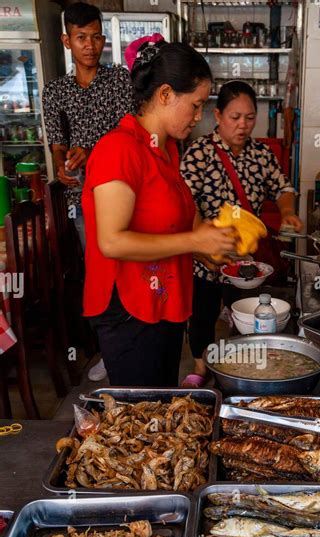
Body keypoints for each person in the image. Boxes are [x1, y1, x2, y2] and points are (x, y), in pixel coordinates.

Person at [81, 39, 235, 387]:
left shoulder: (166, 152)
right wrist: (194, 239)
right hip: (130, 310)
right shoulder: (119, 149)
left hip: (163, 300)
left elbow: (175, 219)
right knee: (142, 412)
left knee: (162, 402)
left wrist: (205, 249)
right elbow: (112, 241)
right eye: (195, 105)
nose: (199, 117)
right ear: (165, 94)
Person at [180, 80, 303, 388]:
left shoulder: (261, 153)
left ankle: (241, 371)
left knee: (246, 316)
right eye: (235, 117)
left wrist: (287, 212)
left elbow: (283, 187)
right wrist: (199, 247)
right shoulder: (199, 153)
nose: (243, 125)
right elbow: (185, 202)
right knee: (203, 314)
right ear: (218, 116)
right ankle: (201, 367)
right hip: (207, 255)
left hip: (246, 260)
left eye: (249, 117)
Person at [42, 1, 134, 382]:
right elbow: (58, 145)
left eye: (97, 37)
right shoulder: (55, 92)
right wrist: (63, 166)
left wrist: (93, 151)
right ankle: (109, 349)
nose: (91, 45)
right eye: (82, 38)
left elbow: (131, 137)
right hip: (82, 200)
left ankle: (133, 338)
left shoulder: (119, 81)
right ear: (67, 40)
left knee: (128, 265)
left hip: (124, 193)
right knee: (98, 272)